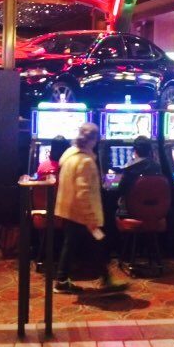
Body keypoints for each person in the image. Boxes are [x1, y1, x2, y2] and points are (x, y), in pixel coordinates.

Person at [53, 123, 128, 294]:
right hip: (82, 213)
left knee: (72, 245)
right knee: (97, 243)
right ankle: (105, 280)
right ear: (92, 140)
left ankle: (63, 280)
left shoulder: (69, 155)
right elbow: (83, 192)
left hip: (69, 209)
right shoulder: (85, 161)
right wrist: (90, 217)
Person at [116, 136, 163, 217]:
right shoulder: (157, 167)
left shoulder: (130, 168)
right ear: (150, 151)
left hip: (131, 211)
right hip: (155, 210)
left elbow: (121, 189)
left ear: (135, 151)